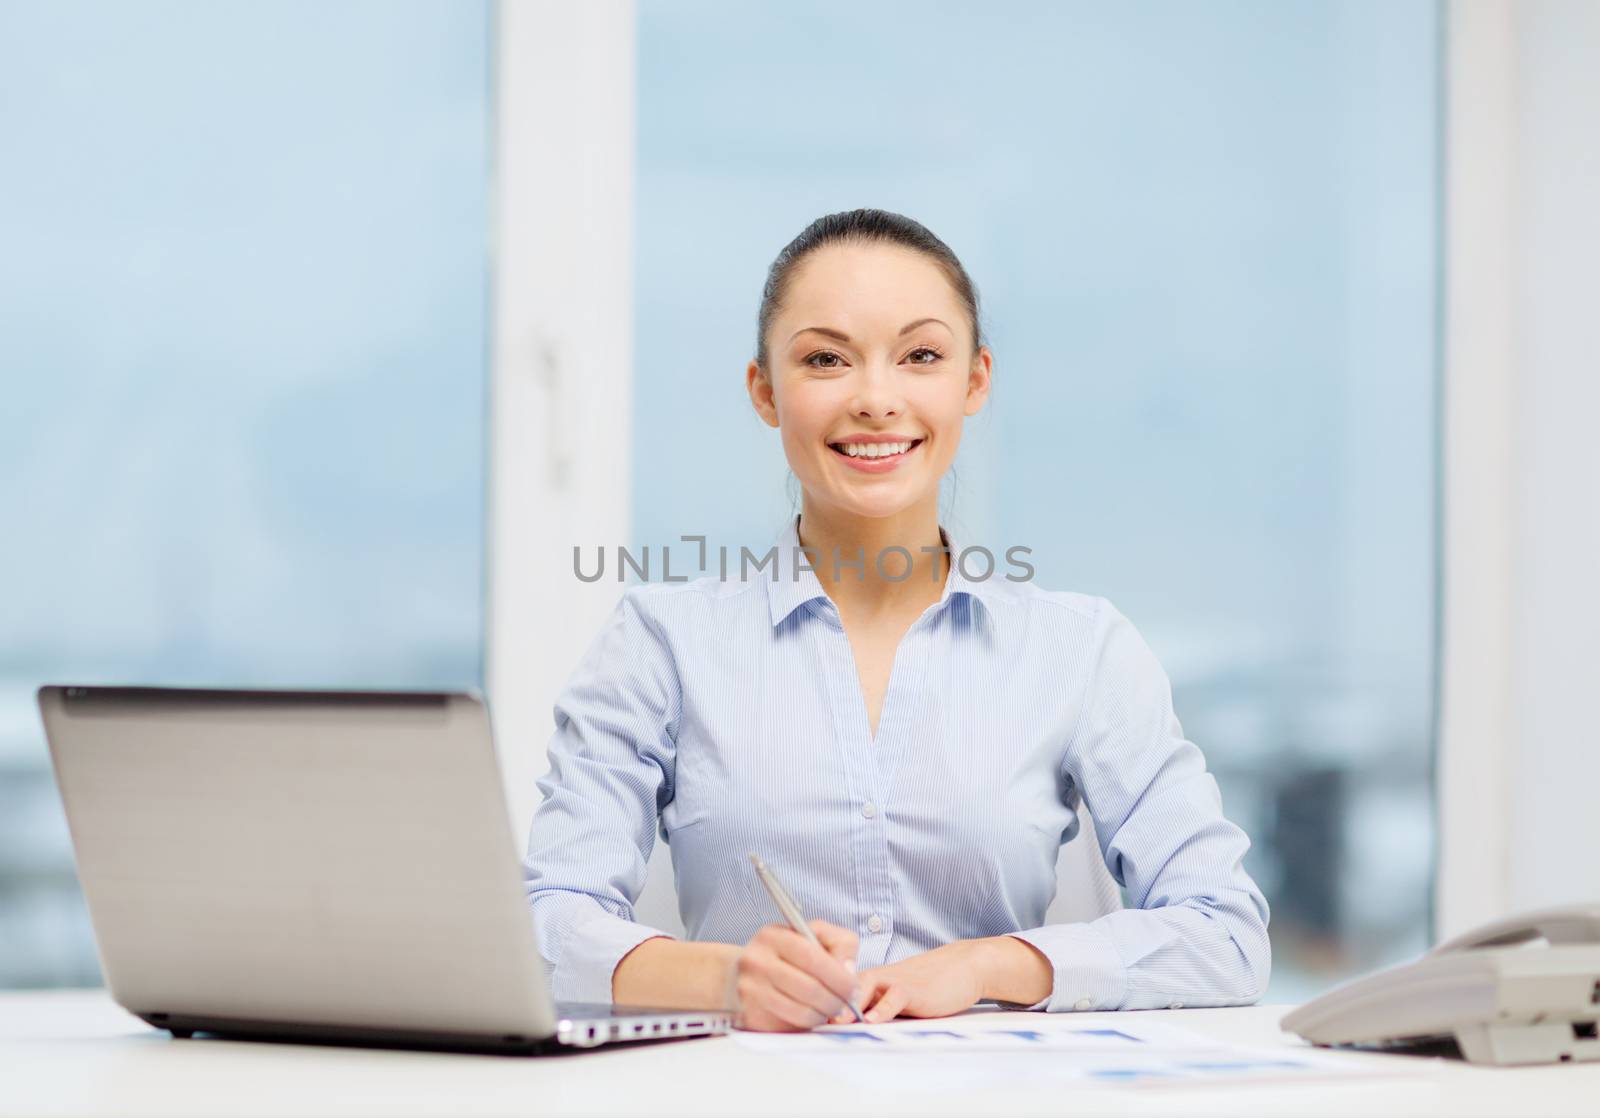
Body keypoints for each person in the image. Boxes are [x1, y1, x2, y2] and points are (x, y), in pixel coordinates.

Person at [522, 208, 1270, 1032]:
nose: (876, 399)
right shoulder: (660, 641)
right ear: (764, 391)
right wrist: (723, 977)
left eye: (920, 356)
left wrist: (994, 963)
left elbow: (1225, 932)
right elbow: (546, 919)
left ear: (974, 381)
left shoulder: (1080, 649)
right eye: (825, 359)